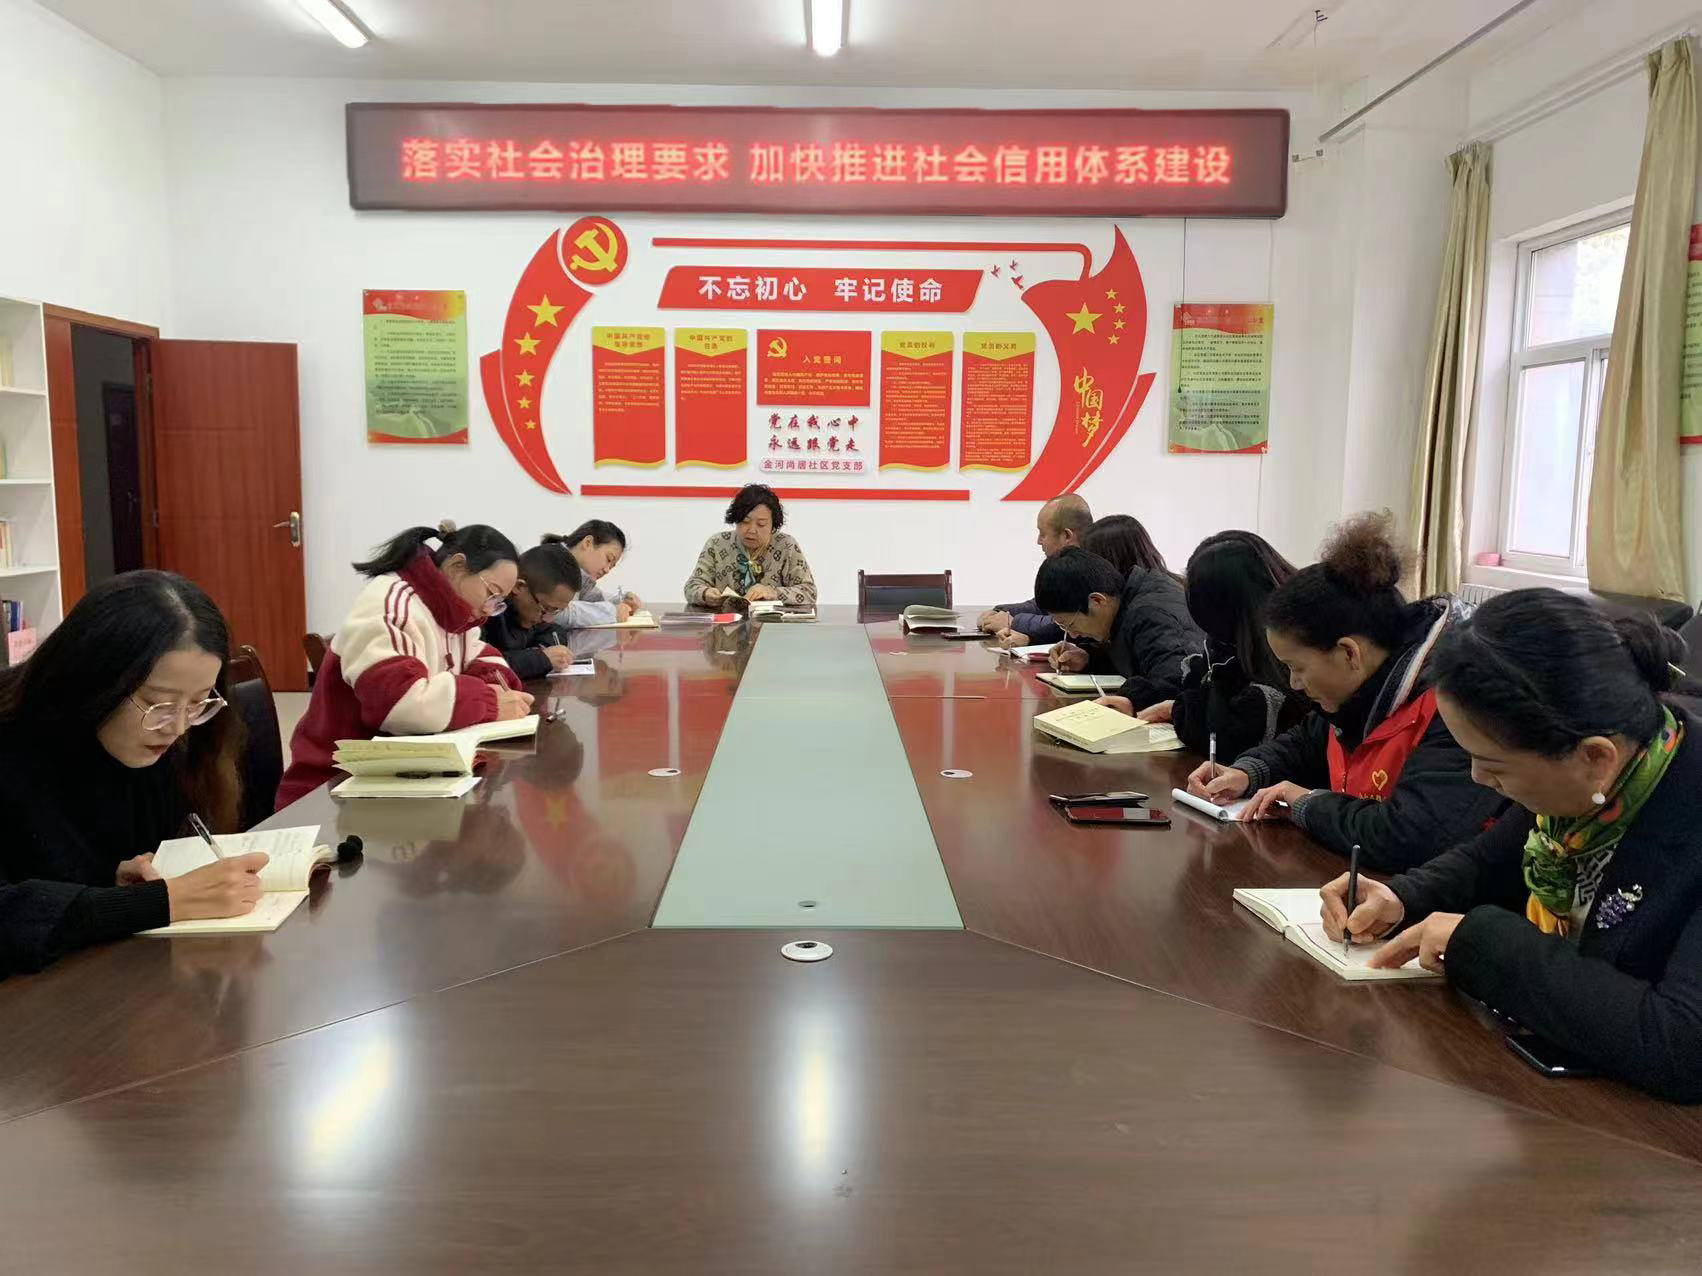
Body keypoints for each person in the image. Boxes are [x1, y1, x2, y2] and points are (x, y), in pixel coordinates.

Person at [1320, 590, 1702, 1102]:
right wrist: (1403, 897)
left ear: (1595, 759)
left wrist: (1480, 941)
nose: (1478, 780)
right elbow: (1489, 860)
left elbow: (1680, 1044)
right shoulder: (1586, 771)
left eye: (1493, 766)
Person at [1185, 512, 1504, 870]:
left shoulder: (1456, 704)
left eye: (1298, 668)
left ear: (1349, 653)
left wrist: (1306, 803)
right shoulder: (1360, 692)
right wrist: (1248, 773)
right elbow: (1305, 743)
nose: (1293, 683)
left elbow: (1408, 835)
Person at [0, 572, 274, 976]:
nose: (177, 727)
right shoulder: (16, 743)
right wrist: (164, 901)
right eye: (158, 704)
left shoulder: (158, 746)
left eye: (199, 703)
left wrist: (109, 887)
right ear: (92, 679)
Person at [277, 522, 532, 807]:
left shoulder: (454, 612)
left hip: (397, 774)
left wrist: (495, 687)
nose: (489, 608)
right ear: (457, 567)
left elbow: (482, 654)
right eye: (491, 593)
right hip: (336, 785)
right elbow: (399, 703)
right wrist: (489, 702)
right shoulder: (390, 602)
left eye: (499, 602)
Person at [1132, 531, 1310, 759]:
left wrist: (1176, 710)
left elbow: (1231, 731)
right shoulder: (1228, 642)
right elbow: (1193, 683)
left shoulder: (1282, 652)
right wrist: (1137, 699)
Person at [1033, 540, 1202, 710]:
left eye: (1069, 624)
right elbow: (1138, 656)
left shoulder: (1151, 614)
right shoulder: (1126, 599)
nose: (1072, 635)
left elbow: (1177, 679)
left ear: (1097, 600)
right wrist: (1089, 658)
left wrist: (1131, 699)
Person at [979, 494, 1092, 647]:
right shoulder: (1066, 567)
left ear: (1066, 535)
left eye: (1043, 534)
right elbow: (1043, 605)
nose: (1038, 541)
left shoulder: (1093, 571)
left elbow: (1072, 623)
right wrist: (1001, 612)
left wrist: (1013, 622)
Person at [684, 483, 817, 606]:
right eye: (745, 522)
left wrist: (772, 592)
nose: (752, 530)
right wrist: (705, 593)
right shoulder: (717, 543)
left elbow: (809, 592)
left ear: (773, 526)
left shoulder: (786, 545)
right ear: (735, 520)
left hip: (771, 622)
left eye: (761, 524)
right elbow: (692, 586)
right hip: (726, 621)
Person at [483, 538, 585, 680]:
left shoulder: (531, 614)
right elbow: (481, 666)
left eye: (556, 611)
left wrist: (544, 650)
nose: (548, 618)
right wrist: (540, 658)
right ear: (519, 587)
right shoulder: (486, 612)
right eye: (546, 609)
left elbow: (555, 630)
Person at [552, 521, 643, 628]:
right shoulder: (552, 561)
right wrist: (611, 613)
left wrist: (622, 601)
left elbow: (593, 597)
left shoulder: (579, 573)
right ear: (588, 543)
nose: (607, 570)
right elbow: (556, 614)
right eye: (608, 559)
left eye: (611, 566)